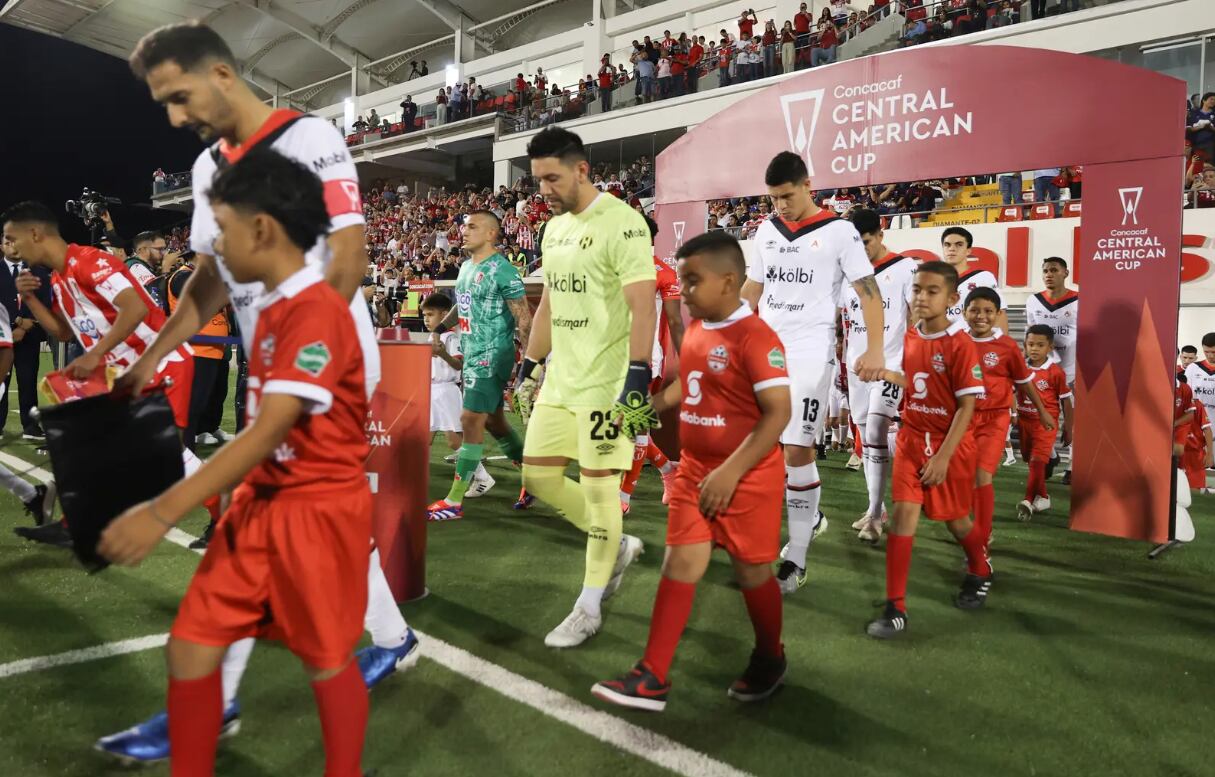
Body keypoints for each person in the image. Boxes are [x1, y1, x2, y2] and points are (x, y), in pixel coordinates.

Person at [97, 22, 419, 765]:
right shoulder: (211, 165)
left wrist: (316, 352)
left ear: (221, 73)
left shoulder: (308, 136)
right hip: (272, 358)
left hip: (318, 366)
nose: (176, 117)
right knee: (290, 520)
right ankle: (388, 637)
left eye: (179, 96)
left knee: (300, 511)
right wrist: (152, 356)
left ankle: (215, 703)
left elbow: (347, 249)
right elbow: (210, 276)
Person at [98, 149, 373, 777]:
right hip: (261, 501)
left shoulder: (318, 312)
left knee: (326, 660)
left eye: (220, 229)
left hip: (317, 511)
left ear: (262, 230)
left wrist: (162, 511)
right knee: (192, 646)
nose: (212, 245)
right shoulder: (274, 308)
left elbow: (275, 425)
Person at [591, 231, 790, 711]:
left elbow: (777, 414)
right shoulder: (698, 329)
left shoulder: (758, 337)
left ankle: (770, 656)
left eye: (692, 280)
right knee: (680, 562)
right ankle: (652, 675)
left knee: (752, 574)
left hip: (748, 477)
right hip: (696, 471)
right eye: (680, 279)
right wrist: (647, 408)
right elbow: (688, 385)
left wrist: (731, 472)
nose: (683, 290)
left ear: (729, 281)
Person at [513, 127, 654, 648]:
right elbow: (550, 303)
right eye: (537, 180)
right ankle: (615, 547)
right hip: (560, 381)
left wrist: (637, 376)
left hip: (607, 385)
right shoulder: (553, 231)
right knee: (539, 477)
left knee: (600, 495)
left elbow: (645, 304)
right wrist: (531, 364)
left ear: (581, 170)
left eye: (551, 178)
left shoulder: (623, 223)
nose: (543, 190)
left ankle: (589, 606)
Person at [741, 152, 885, 596]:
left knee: (797, 450)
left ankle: (796, 558)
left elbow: (869, 293)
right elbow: (754, 288)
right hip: (765, 347)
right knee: (760, 450)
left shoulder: (840, 232)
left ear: (808, 184)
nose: (780, 205)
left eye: (786, 195)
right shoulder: (766, 230)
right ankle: (813, 516)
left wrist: (875, 349)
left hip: (808, 350)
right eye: (773, 198)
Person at [2, 202, 198, 462]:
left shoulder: (89, 261)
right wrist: (30, 299)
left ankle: (226, 499)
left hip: (161, 364)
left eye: (14, 239)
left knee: (159, 460)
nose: (11, 247)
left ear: (35, 234)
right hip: (126, 373)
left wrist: (95, 355)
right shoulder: (59, 280)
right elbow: (62, 333)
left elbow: (135, 308)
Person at [866, 261, 992, 640]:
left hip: (948, 446)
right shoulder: (911, 335)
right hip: (910, 439)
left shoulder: (960, 343)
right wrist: (886, 374)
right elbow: (916, 383)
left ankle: (979, 567)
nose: (921, 297)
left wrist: (942, 457)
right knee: (903, 519)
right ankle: (896, 607)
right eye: (917, 289)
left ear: (952, 298)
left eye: (931, 291)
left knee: (957, 521)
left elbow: (967, 406)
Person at [426, 211, 533, 520]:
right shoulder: (466, 268)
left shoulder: (503, 270)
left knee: (470, 418)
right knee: (494, 422)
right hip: (472, 354)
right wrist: (439, 330)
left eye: (472, 226)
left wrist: (529, 367)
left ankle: (454, 500)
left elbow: (523, 318)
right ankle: (535, 480)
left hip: (491, 355)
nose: (464, 230)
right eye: (463, 226)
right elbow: (463, 302)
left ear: (490, 234)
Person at [843, 209, 916, 543]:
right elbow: (844, 324)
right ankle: (878, 507)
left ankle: (875, 515)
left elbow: (917, 317)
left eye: (866, 241)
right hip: (855, 367)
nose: (861, 249)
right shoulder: (846, 274)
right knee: (865, 435)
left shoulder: (905, 269)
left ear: (881, 233)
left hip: (890, 364)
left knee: (874, 429)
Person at [963, 288, 1050, 549]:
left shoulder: (1007, 346)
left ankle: (982, 533)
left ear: (998, 314)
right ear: (964, 312)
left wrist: (1043, 410)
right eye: (975, 310)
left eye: (988, 311)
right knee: (964, 475)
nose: (981, 316)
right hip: (963, 417)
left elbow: (1024, 382)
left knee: (982, 475)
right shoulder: (954, 342)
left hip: (995, 418)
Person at [619, 222, 683, 515]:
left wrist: (690, 362)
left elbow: (675, 322)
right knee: (622, 425)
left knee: (635, 426)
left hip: (644, 360)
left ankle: (623, 497)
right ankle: (668, 470)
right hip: (609, 358)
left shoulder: (663, 273)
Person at [1016, 325, 1073, 521]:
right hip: (1024, 423)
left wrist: (1069, 426)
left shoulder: (1055, 372)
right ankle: (1044, 496)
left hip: (1045, 424)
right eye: (1031, 344)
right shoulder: (1019, 368)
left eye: (1040, 345)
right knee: (1031, 462)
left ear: (1050, 347)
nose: (1035, 349)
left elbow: (1066, 399)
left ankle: (1027, 500)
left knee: (1036, 462)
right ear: (1025, 345)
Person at [0, 236, 50, 440]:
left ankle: (30, 426)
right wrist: (17, 321)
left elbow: (45, 301)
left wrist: (27, 324)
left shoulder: (38, 271)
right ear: (1, 246)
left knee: (28, 381)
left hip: (29, 337)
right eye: (8, 242)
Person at [940, 226, 1007, 330]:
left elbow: (999, 316)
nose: (952, 249)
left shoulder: (983, 277)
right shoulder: (935, 280)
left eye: (959, 245)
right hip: (942, 342)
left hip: (973, 343)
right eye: (947, 245)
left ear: (968, 251)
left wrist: (1001, 345)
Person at [1183, 333, 1215, 426]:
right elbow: (1185, 396)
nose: (1210, 356)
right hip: (1197, 423)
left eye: (1213, 352)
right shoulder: (1193, 368)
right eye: (1206, 352)